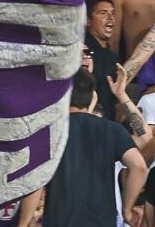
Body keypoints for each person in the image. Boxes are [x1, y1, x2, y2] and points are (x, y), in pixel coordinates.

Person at [42, 70, 147, 226]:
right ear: (92, 97)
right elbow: (139, 166)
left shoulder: (47, 132)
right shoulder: (112, 130)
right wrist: (127, 210)